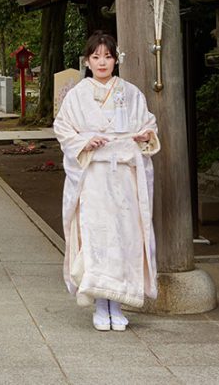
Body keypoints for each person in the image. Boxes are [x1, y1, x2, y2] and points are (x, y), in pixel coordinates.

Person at [53, 31, 159, 332]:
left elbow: (148, 125)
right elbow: (63, 129)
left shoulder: (131, 93)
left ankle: (119, 302)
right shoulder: (77, 95)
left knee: (125, 235)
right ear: (87, 60)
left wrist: (143, 137)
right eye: (96, 57)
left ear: (116, 59)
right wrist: (86, 141)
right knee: (97, 236)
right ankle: (101, 304)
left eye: (108, 56)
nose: (102, 62)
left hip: (124, 176)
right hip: (94, 178)